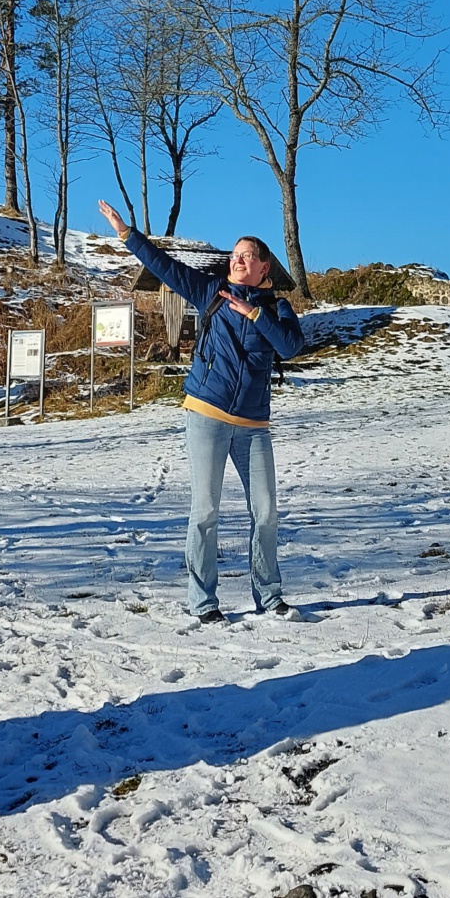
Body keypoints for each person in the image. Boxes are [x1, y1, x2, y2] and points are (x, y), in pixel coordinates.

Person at [98, 200, 305, 624]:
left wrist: (254, 313)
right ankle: (204, 602)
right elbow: (165, 267)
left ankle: (269, 597)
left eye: (248, 255)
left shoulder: (279, 309)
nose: (238, 260)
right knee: (205, 510)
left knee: (265, 513)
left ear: (265, 268)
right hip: (207, 413)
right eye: (235, 254)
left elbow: (290, 346)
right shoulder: (213, 293)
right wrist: (126, 234)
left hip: (253, 424)